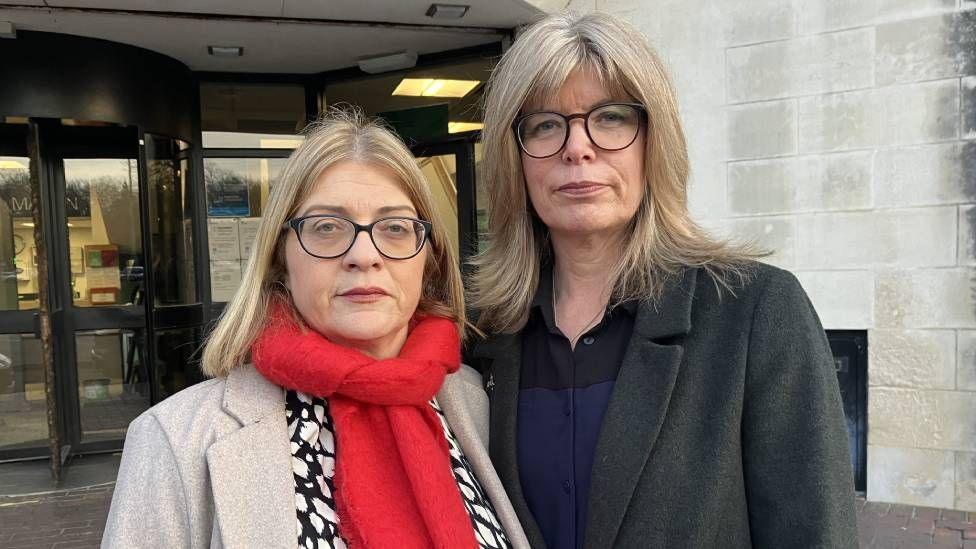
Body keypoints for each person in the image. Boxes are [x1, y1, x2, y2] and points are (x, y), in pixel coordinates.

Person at [466, 11, 857, 549]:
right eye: (545, 124)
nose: (577, 148)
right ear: (516, 159)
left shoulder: (755, 311)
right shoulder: (484, 333)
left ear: (654, 140)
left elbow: (814, 534)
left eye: (610, 119)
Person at [103, 110, 529, 549]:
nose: (364, 255)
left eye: (396, 227)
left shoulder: (476, 400)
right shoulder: (173, 439)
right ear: (280, 260)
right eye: (326, 227)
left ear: (431, 259)